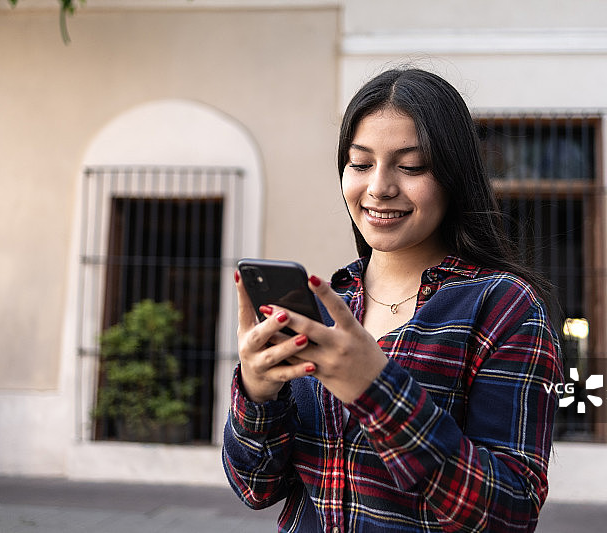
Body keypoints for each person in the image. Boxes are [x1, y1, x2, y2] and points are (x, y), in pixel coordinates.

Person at [222, 68, 563, 533]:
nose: (379, 187)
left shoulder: (503, 307)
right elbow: (256, 488)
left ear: (453, 175)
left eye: (412, 166)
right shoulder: (325, 303)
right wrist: (258, 394)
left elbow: (510, 512)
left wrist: (376, 389)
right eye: (360, 164)